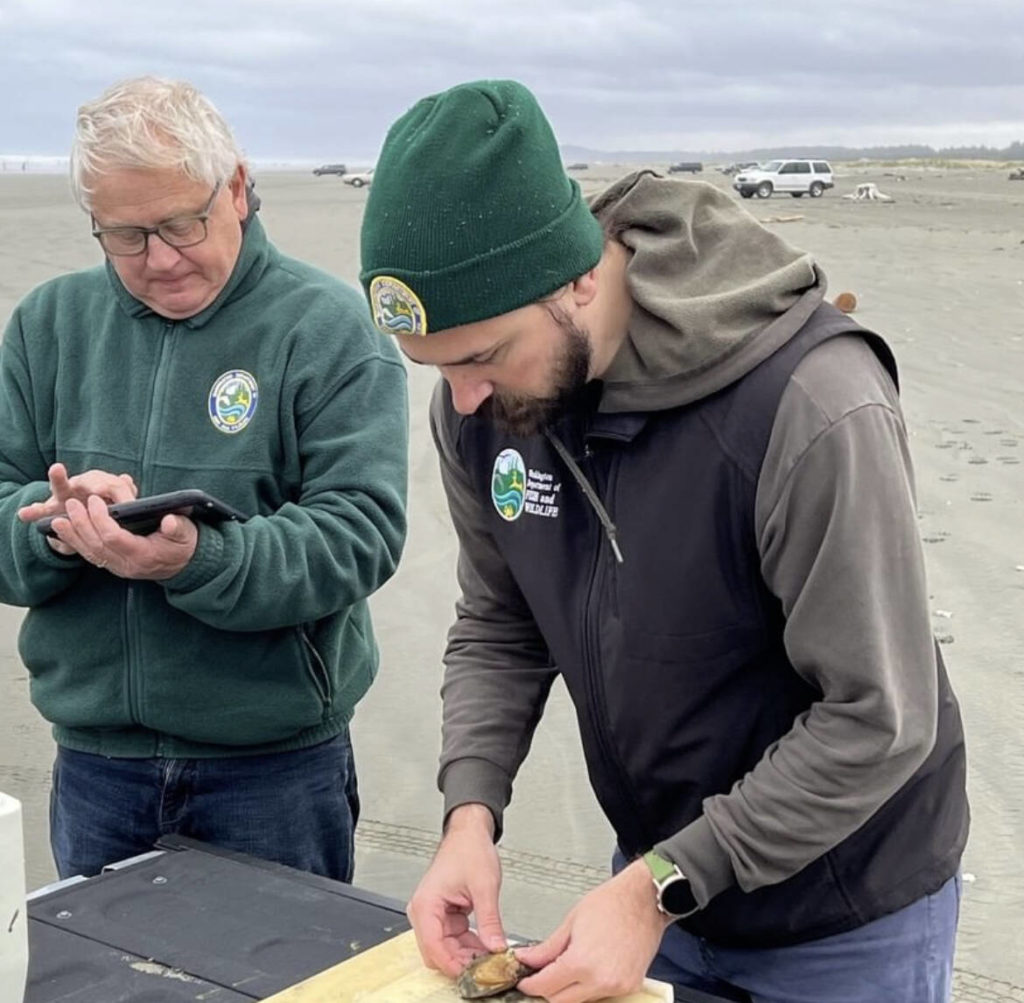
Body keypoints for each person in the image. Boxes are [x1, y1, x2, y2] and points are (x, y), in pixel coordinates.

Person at [358, 80, 968, 1003]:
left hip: (845, 912)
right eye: (436, 369)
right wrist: (469, 813)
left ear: (579, 279)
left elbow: (878, 718)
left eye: (482, 356)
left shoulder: (811, 406)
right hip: (655, 890)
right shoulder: (479, 409)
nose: (465, 400)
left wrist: (658, 886)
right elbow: (501, 622)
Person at [0, 77, 408, 883]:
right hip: (95, 765)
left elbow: (361, 533)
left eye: (182, 224)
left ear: (239, 188)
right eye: (125, 235)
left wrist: (199, 561)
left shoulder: (328, 329)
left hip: (275, 768)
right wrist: (55, 526)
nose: (159, 259)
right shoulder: (47, 326)